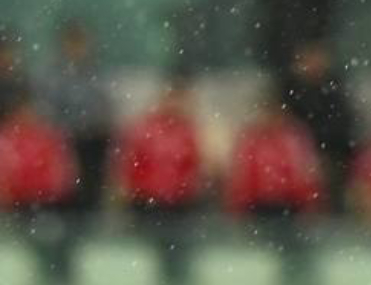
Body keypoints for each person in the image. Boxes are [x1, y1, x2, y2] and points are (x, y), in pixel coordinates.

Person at [112, 72, 204, 219]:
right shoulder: (145, 128)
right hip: (146, 200)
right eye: (172, 98)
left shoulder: (187, 132)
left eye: (179, 99)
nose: (175, 104)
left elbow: (194, 167)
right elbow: (129, 163)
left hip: (177, 203)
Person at [41, 19, 111, 212]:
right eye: (72, 43)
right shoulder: (53, 75)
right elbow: (48, 109)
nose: (77, 49)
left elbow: (104, 106)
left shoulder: (96, 73)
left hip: (92, 140)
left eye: (80, 43)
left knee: (91, 186)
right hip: (64, 140)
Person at [279, 39, 356, 210]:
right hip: (299, 157)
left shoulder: (335, 91)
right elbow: (288, 129)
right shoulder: (289, 92)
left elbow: (344, 129)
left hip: (332, 155)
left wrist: (325, 153)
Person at [224, 91, 323, 217]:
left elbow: (305, 175)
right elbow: (241, 178)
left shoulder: (294, 138)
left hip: (290, 206)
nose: (270, 118)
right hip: (257, 207)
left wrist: (308, 206)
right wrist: (240, 206)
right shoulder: (251, 140)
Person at [0, 86, 77, 212]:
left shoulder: (47, 136)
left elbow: (62, 173)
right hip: (17, 203)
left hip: (47, 202)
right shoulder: (7, 138)